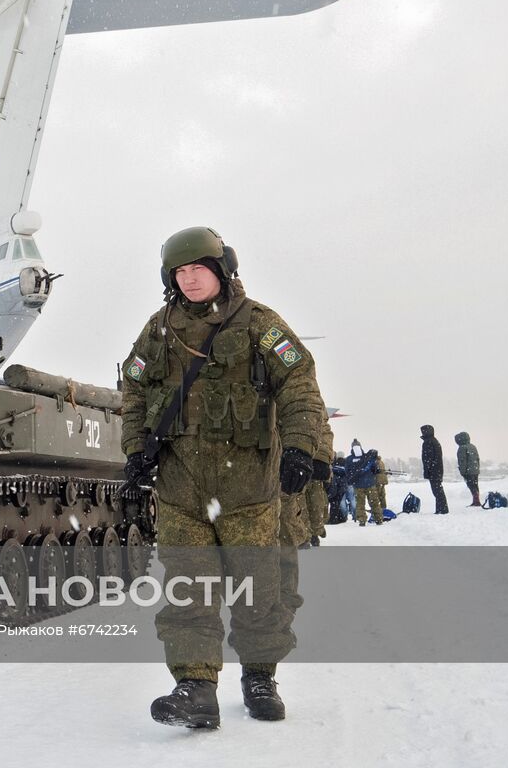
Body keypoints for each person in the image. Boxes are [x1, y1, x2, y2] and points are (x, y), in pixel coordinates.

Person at [121, 226, 325, 729]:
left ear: (221, 270)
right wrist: (134, 452)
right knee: (189, 589)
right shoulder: (158, 329)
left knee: (261, 590)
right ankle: (195, 687)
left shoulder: (260, 324)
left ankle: (260, 674)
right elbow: (133, 391)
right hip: (181, 487)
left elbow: (299, 382)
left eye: (198, 269)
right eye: (180, 272)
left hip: (250, 489)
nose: (189, 279)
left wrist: (300, 446)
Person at [344, 440, 383, 526]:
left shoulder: (349, 459)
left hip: (358, 485)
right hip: (370, 483)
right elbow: (374, 469)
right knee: (374, 502)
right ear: (360, 446)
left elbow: (347, 472)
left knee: (360, 503)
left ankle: (362, 520)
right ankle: (379, 519)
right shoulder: (367, 457)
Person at [420, 424, 448, 513]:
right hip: (437, 469)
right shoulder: (434, 441)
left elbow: (428, 458)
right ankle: (441, 509)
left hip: (433, 470)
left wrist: (428, 470)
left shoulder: (428, 442)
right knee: (438, 490)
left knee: (437, 491)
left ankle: (442, 510)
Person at [456, 431, 481, 507]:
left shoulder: (462, 448)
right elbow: (477, 459)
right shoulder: (473, 446)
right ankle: (476, 500)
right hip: (475, 470)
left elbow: (462, 461)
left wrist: (462, 472)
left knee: (471, 485)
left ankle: (476, 502)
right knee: (475, 485)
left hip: (468, 471)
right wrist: (477, 468)